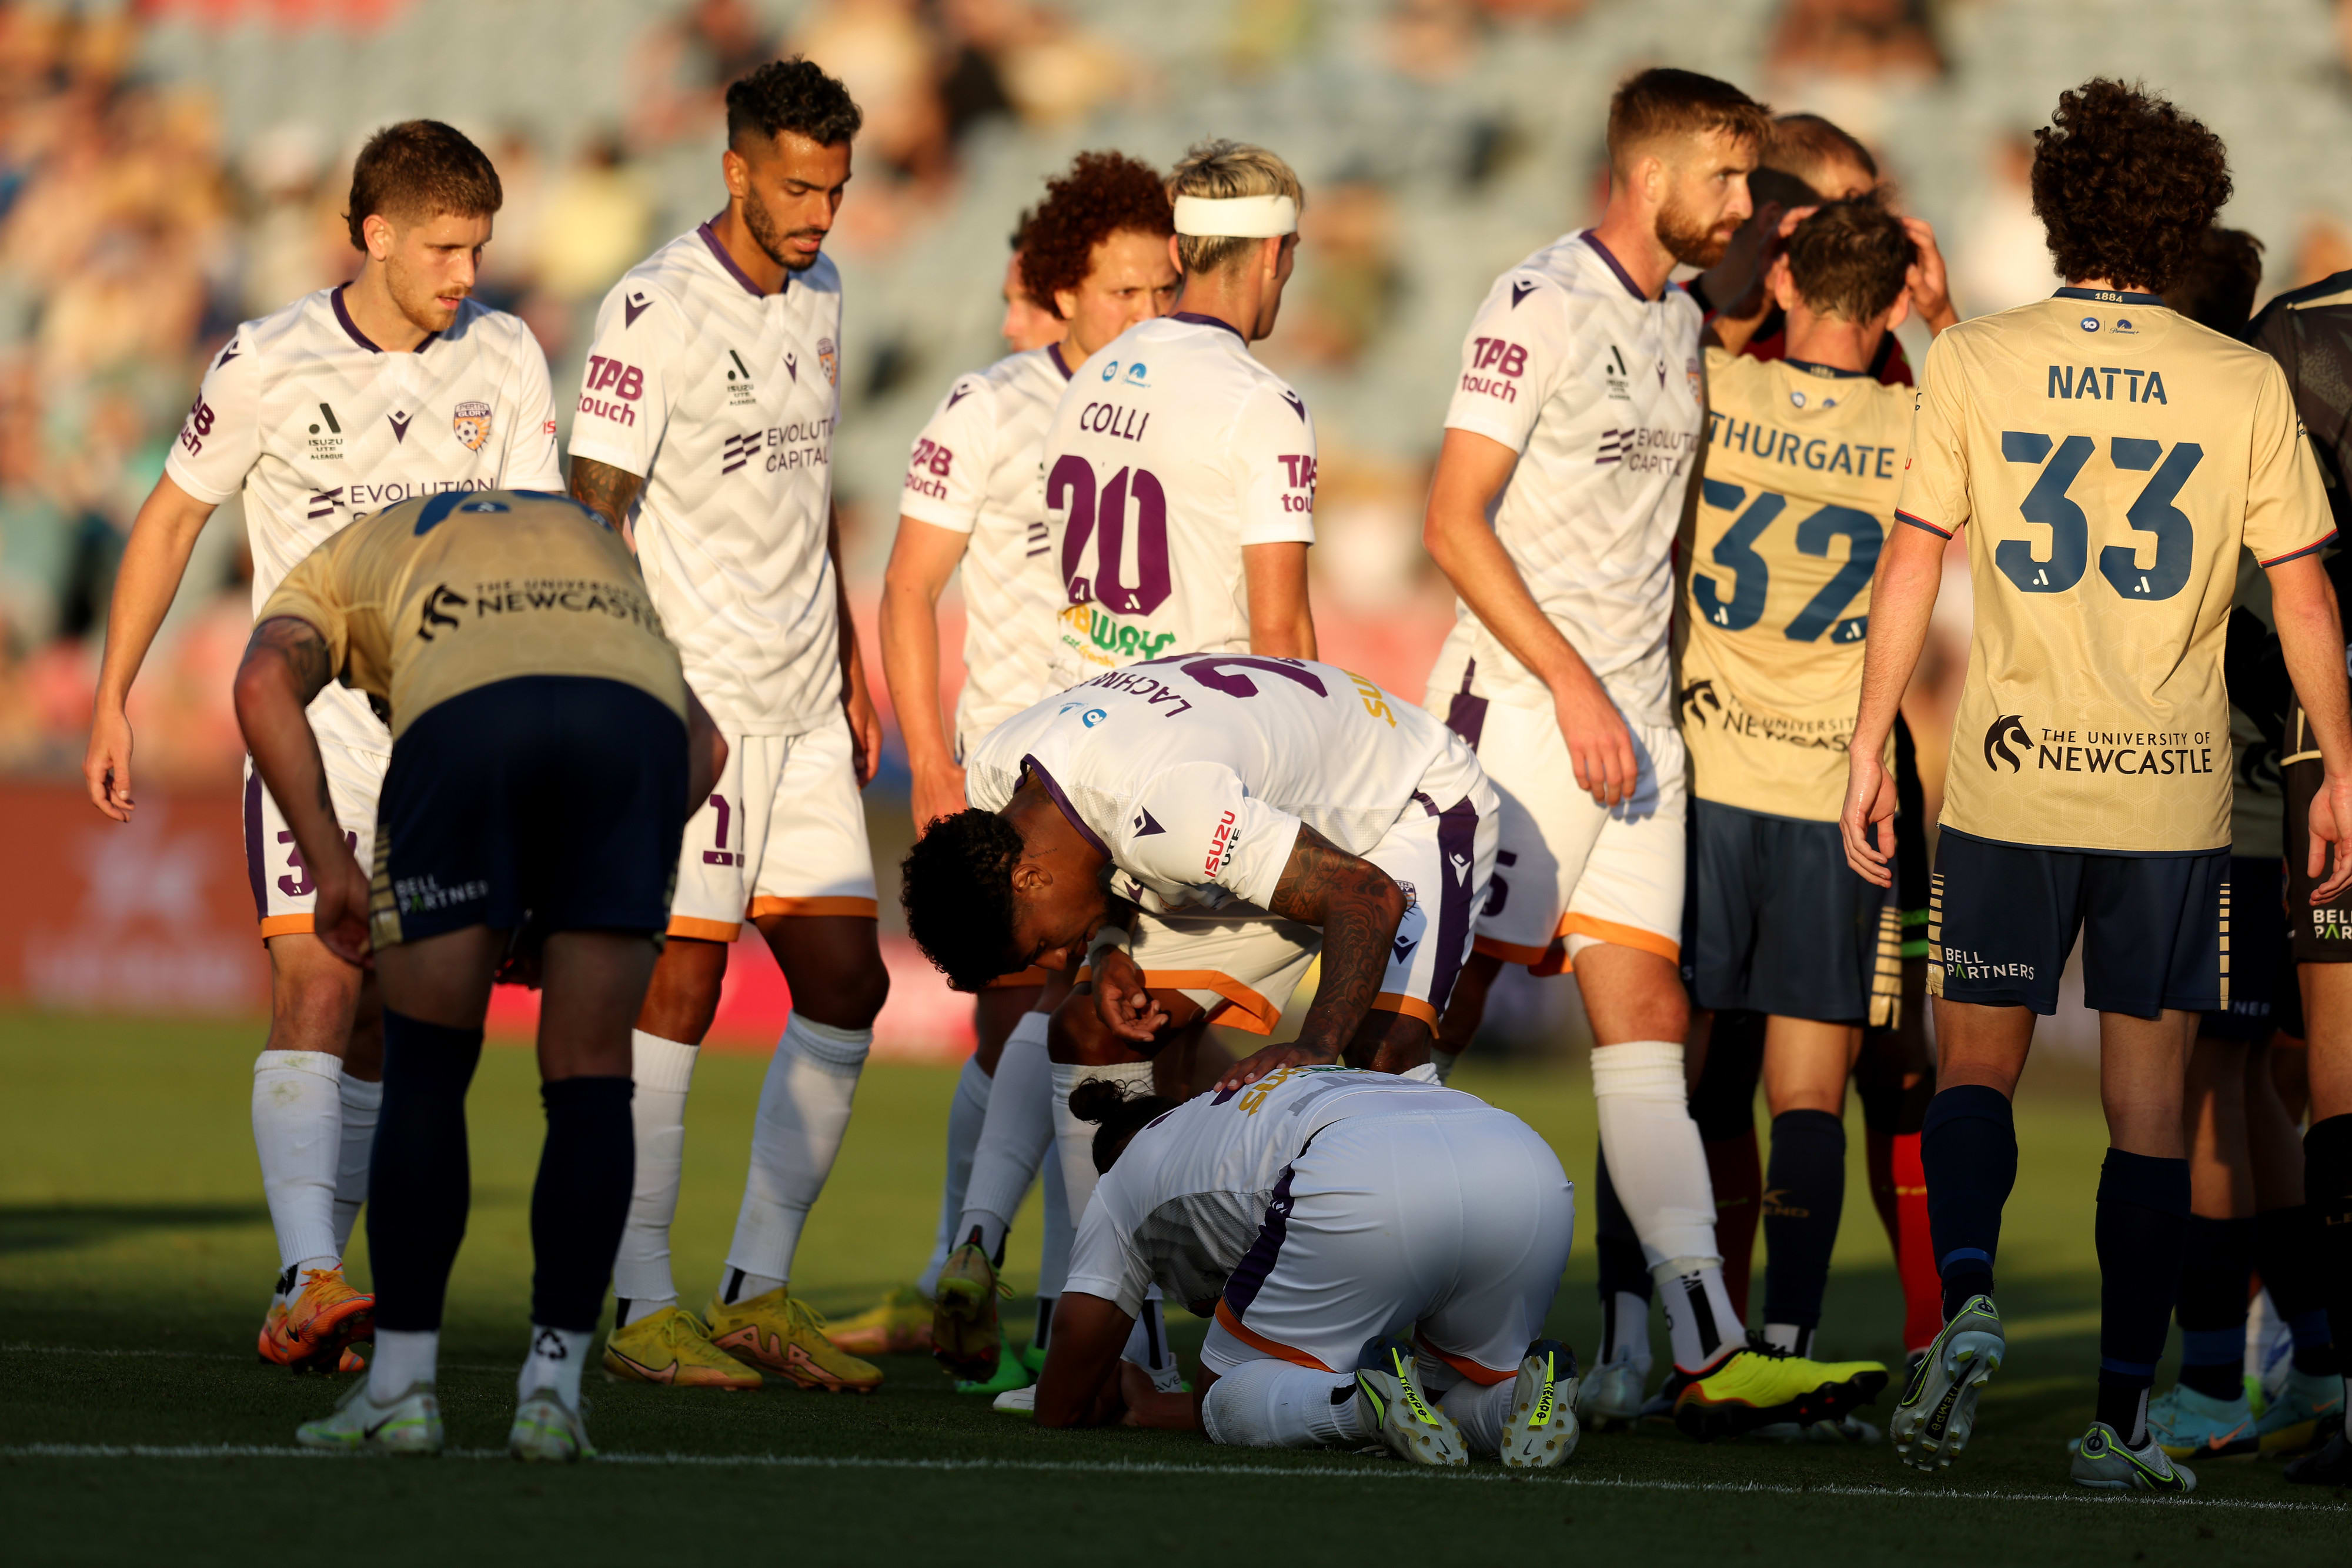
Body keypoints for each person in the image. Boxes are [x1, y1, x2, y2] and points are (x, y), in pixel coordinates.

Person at [1842, 79, 2352, 1493]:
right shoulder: (2240, 379)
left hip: (2009, 782)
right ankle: (2123, 1425)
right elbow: (2304, 602)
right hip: (2170, 798)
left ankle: (1971, 1290)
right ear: (2189, 213)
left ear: (2052, 208)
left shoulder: (1978, 361)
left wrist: (1866, 745)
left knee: (1977, 1071)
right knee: (2146, 1114)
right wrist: (2338, 776)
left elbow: (1908, 566)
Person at [1421, 66, 1879, 1438]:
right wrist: (1567, 687)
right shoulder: (1535, 303)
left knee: (1650, 1026)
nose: (1745, 210)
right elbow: (1454, 520)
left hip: (1638, 735)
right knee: (1420, 1028)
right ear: (1651, 178)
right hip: (1516, 718)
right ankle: (1363, 1299)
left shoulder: (1680, 327)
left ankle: (1701, 1338)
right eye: (1728, 181)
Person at [81, 120, 559, 1373]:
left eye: (481, 247)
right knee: (318, 982)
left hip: (451, 738)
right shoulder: (268, 360)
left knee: (384, 1031)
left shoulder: (505, 356)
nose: (467, 272)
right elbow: (173, 519)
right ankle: (309, 1272)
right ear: (376, 235)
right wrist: (112, 694)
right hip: (315, 733)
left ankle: (321, 1288)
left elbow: (533, 546)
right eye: (446, 248)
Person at [922, 138, 1322, 1376]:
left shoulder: (1096, 376)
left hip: (1088, 749)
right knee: (1341, 1022)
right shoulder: (1258, 402)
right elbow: (1285, 642)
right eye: (1289, 260)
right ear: (1261, 256)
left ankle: (1020, 1270)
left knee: (1089, 1020)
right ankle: (1238, 1317)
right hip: (1196, 767)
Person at [242, 489, 721, 1459]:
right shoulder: (573, 530)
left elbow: (260, 686)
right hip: (630, 728)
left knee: (426, 1071)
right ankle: (553, 1394)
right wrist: (582, 890)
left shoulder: (328, 568)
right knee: (592, 1079)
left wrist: (331, 868)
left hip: (467, 725)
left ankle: (402, 1389)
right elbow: (705, 745)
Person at [901, 656, 1499, 1385]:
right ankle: (1132, 1357)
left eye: (1042, 944)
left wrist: (1316, 1043)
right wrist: (1109, 942)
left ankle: (1459, 1351)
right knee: (1093, 1029)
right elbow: (1091, 837)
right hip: (1258, 822)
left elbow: (1362, 897)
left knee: (1379, 1061)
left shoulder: (1168, 813)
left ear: (1027, 876)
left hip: (1400, 805)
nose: (1057, 957)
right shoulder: (1000, 781)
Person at [568, 58, 887, 1394]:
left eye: (835, 187)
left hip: (808, 702)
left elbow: (809, 488)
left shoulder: (820, 293)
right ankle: (641, 1299)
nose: (818, 213)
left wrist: (855, 655)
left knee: (847, 985)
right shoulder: (651, 309)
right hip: (695, 706)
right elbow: (592, 518)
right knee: (681, 992)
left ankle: (758, 1288)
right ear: (735, 169)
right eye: (797, 186)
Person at [851, 152, 1178, 1388]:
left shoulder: (1190, 408)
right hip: (1016, 771)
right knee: (1026, 1021)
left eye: (1162, 289)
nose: (1144, 315)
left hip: (1143, 770)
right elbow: (907, 585)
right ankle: (1010, 1289)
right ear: (1058, 291)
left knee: (1083, 1035)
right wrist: (931, 757)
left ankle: (1005, 1285)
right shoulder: (989, 406)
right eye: (1120, 292)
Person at [1669, 111, 1957, 1381]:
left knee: (1666, 1070)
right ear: (1893, 291)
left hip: (1702, 774)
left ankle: (1663, 1338)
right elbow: (2005, 439)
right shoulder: (1920, 428)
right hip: (1838, 786)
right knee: (1808, 1082)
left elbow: (1664, 343)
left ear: (1779, 268)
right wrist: (1938, 318)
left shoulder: (1713, 386)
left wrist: (1748, 283)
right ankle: (1790, 1338)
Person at [2131, 227, 2344, 1463]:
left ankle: (2212, 1375)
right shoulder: (2264, 412)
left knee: (2207, 1086)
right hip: (2266, 788)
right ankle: (2311, 1350)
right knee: (2255, 1081)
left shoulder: (2215, 431)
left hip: (2216, 790)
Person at [1030, 1070, 1584, 1470]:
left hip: (1366, 1168)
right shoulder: (1237, 1105)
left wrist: (1137, 1401)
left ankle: (1359, 1407)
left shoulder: (1124, 1174)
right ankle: (1515, 1401)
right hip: (1520, 1157)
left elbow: (1066, 1382)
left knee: (1218, 1391)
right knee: (1441, 1392)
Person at [2245, 256, 2352, 1483]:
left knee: (2337, 1092)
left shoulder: (2303, 332)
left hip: (2334, 738)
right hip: (2332, 742)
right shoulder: (2302, 333)